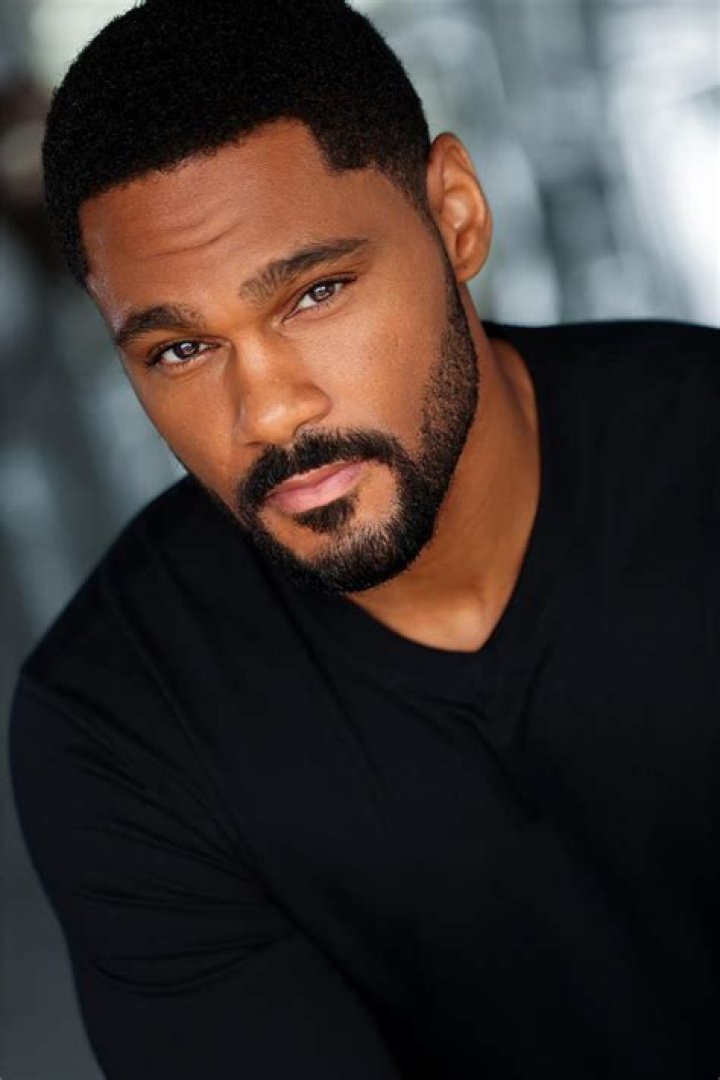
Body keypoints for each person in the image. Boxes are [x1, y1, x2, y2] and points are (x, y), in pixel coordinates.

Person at [9, 1, 719, 1077]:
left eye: (316, 293)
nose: (269, 412)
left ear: (456, 216)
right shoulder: (119, 723)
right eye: (181, 349)